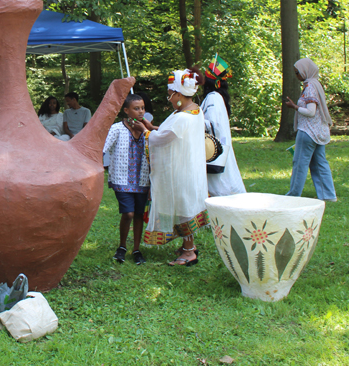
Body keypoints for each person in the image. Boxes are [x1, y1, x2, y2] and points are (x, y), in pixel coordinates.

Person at [134, 68, 209, 266]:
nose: (168, 98)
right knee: (185, 206)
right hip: (188, 168)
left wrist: (144, 131)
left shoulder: (182, 117)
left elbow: (161, 140)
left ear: (177, 93)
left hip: (181, 171)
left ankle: (189, 251)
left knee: (184, 209)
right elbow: (170, 132)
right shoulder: (194, 110)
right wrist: (152, 127)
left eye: (170, 95)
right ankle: (187, 246)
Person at [103, 94, 150, 265]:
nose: (140, 112)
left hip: (143, 180)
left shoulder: (147, 130)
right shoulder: (117, 129)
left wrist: (148, 129)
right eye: (136, 108)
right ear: (126, 110)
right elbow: (103, 148)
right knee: (128, 213)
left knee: (138, 214)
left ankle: (136, 249)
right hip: (121, 179)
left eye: (142, 108)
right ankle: (122, 246)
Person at [284, 57, 336, 201]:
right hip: (318, 131)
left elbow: (311, 111)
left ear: (305, 71)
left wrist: (295, 107)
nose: (296, 76)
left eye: (297, 72)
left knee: (299, 162)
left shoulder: (310, 87)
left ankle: (293, 195)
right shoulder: (315, 84)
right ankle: (328, 195)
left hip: (307, 131)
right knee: (320, 163)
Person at [201, 56, 246, 196]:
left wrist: (193, 121)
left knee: (220, 184)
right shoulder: (218, 97)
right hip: (219, 148)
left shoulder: (213, 97)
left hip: (215, 150)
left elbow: (214, 124)